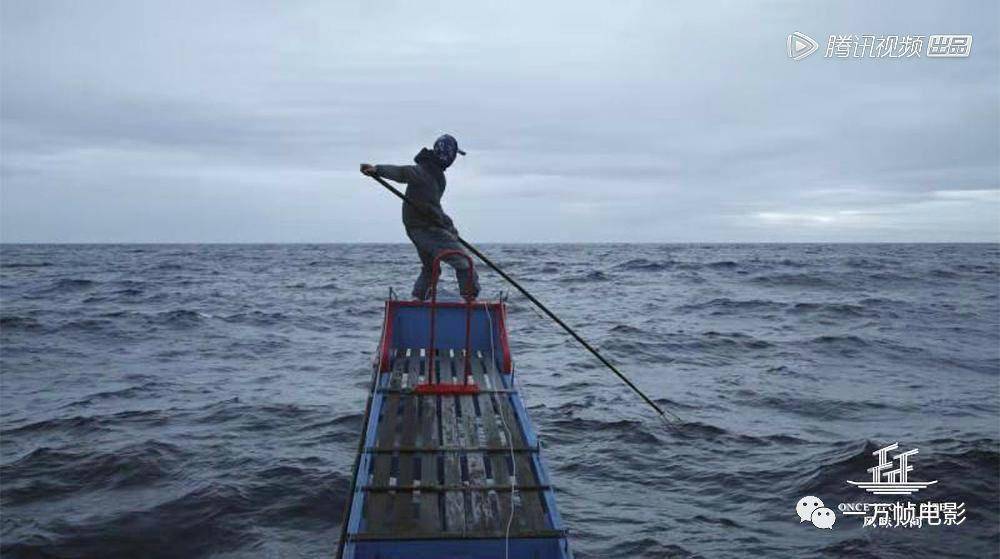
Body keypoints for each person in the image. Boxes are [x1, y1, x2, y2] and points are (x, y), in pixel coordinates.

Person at [360, 134, 480, 301]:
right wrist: (378, 170)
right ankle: (470, 301)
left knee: (431, 268)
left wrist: (451, 229)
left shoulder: (435, 174)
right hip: (426, 229)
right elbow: (403, 173)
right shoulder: (424, 171)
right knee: (465, 263)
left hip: (417, 228)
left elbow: (433, 207)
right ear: (448, 156)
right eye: (454, 156)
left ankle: (417, 299)